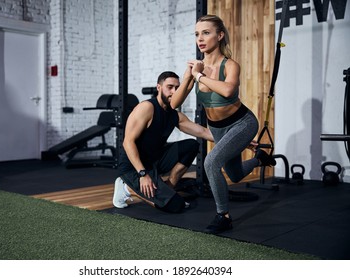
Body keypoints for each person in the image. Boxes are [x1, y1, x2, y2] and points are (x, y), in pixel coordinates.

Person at [170, 15, 276, 233]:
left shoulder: (230, 65)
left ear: (219, 36)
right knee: (235, 174)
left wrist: (199, 76)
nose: (200, 38)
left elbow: (228, 90)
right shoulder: (195, 69)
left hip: (242, 123)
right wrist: (190, 75)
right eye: (197, 34)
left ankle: (223, 216)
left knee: (210, 162)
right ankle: (259, 160)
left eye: (206, 33)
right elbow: (174, 103)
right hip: (218, 128)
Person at [113, 71, 214, 213]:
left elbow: (203, 132)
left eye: (177, 88)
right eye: (170, 87)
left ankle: (169, 187)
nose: (174, 92)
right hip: (133, 167)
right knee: (175, 206)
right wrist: (143, 174)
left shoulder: (175, 115)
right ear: (159, 87)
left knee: (191, 145)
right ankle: (125, 187)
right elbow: (128, 142)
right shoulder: (146, 108)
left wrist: (238, 140)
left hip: (155, 160)